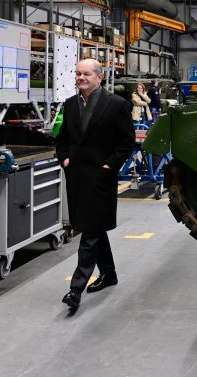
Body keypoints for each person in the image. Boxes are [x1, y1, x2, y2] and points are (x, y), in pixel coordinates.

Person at [56, 58, 134, 309]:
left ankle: (75, 289)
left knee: (89, 232)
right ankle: (109, 274)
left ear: (100, 77)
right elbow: (63, 138)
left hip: (100, 178)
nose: (81, 78)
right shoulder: (69, 105)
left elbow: (126, 142)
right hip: (76, 176)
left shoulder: (116, 105)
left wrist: (109, 166)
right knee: (95, 227)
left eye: (86, 74)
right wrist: (64, 158)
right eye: (78, 73)